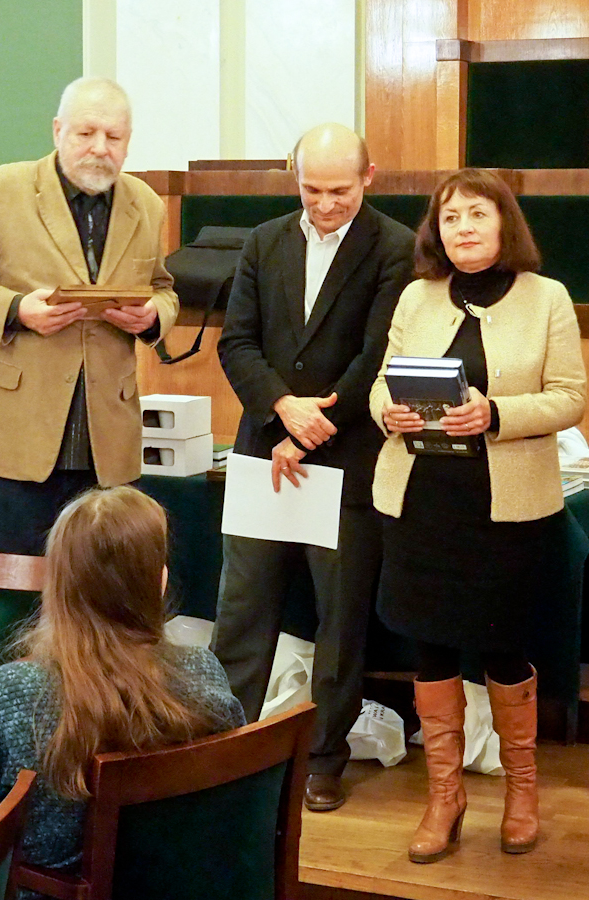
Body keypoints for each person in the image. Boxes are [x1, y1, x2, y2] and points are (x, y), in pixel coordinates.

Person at [369, 168, 587, 863]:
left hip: (507, 509)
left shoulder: (547, 297)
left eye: (477, 215)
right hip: (421, 501)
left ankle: (522, 791)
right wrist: (388, 412)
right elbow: (380, 384)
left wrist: (497, 414)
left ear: (504, 224)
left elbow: (570, 397)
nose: (462, 228)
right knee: (430, 647)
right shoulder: (417, 295)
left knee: (505, 646)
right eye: (450, 217)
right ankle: (445, 796)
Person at [212, 123, 416, 812]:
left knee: (341, 622)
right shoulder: (264, 241)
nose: (325, 204)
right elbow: (237, 343)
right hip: (263, 452)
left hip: (345, 458)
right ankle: (224, 752)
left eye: (339, 191)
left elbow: (377, 354)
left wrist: (309, 429)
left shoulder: (395, 247)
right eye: (311, 190)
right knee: (242, 613)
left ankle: (324, 761)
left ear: (368, 178)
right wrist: (280, 407)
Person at [0, 76, 178, 555]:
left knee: (100, 587)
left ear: (128, 142)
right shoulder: (0, 191)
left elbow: (163, 288)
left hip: (107, 446)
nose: (99, 148)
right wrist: (16, 309)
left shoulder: (146, 204)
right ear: (58, 130)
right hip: (15, 441)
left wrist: (152, 316)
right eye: (86, 133)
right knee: (18, 587)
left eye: (114, 136)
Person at [0, 485, 244, 871]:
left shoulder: (8, 693)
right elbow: (229, 804)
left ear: (56, 583)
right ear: (158, 582)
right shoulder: (203, 673)